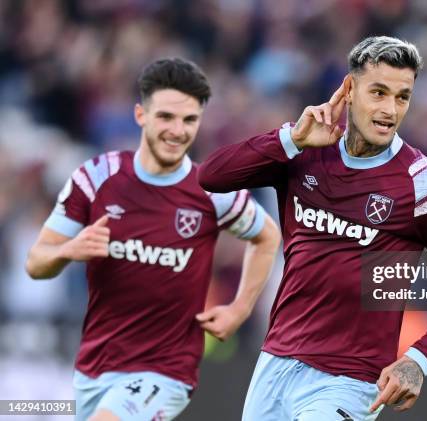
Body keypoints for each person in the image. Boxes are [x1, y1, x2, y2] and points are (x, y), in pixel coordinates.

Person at [198, 36, 427, 420]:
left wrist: (419, 360)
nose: (390, 109)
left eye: (402, 97)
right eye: (379, 92)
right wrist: (290, 139)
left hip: (350, 378)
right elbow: (211, 175)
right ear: (349, 90)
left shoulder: (422, 183)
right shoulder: (306, 151)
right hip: (275, 361)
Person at [25, 58, 281, 421]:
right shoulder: (96, 178)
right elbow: (36, 262)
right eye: (166, 117)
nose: (177, 131)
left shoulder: (211, 190)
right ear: (140, 114)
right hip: (94, 369)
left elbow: (267, 237)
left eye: (189, 120)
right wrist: (69, 250)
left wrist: (240, 308)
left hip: (166, 372)